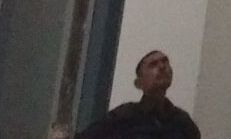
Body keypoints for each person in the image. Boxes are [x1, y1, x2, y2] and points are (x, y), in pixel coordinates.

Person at [72, 46, 200, 137]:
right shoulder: (123, 117)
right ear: (139, 83)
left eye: (165, 62)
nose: (162, 67)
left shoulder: (182, 123)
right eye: (153, 65)